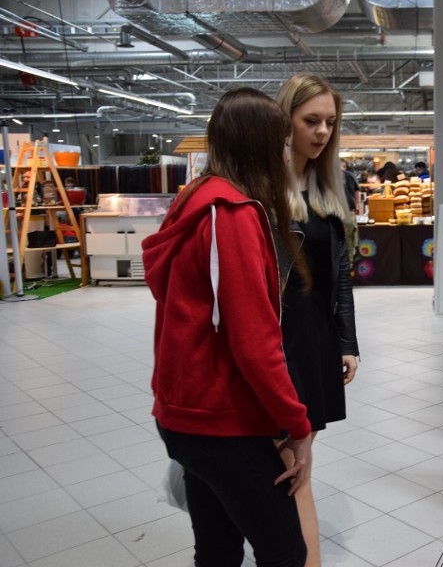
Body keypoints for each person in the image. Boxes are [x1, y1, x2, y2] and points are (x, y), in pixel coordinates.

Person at [141, 88, 312, 567]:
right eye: (281, 142)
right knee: (284, 552)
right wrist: (297, 424)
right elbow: (254, 342)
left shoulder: (194, 199)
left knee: (217, 548)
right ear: (261, 146)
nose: (285, 154)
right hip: (221, 421)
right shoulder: (231, 215)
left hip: (183, 412)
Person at [275, 72, 360, 567]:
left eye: (330, 121)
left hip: (315, 339)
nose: (323, 131)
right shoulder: (263, 185)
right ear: (285, 120)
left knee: (299, 456)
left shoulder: (334, 182)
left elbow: (341, 271)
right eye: (311, 120)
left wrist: (347, 340)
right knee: (286, 458)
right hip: (276, 338)